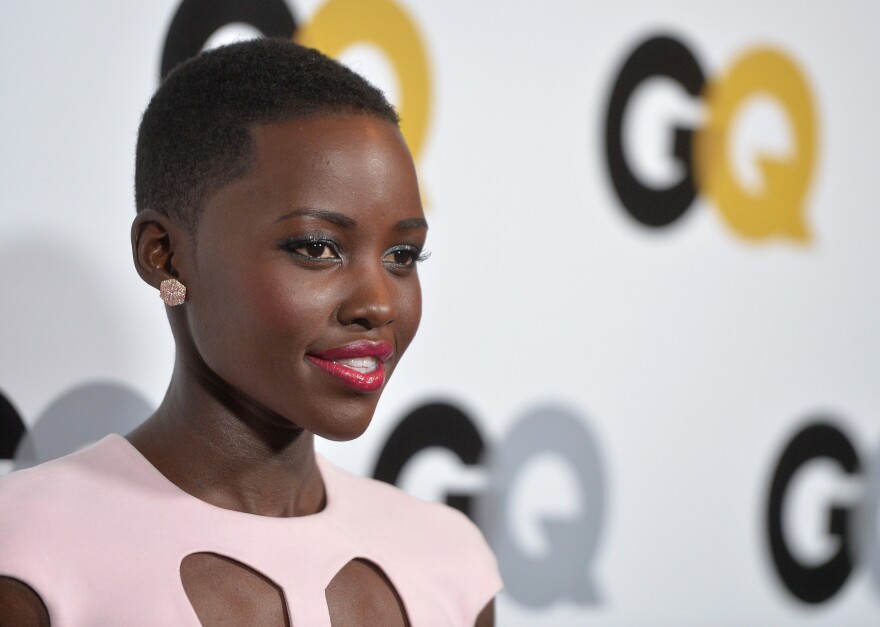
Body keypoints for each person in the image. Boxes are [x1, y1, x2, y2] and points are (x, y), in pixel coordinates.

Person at [0, 38, 501, 626]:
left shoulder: (450, 561)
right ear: (165, 257)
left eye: (402, 255)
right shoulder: (28, 555)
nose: (379, 304)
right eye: (317, 248)